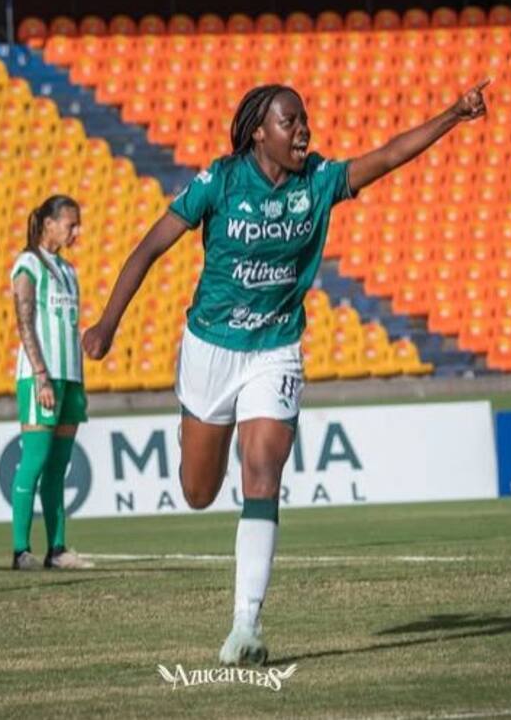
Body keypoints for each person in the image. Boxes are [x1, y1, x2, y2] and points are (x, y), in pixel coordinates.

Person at [82, 79, 489, 665]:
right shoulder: (218, 182)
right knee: (198, 492)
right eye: (289, 122)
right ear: (258, 132)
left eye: (304, 120)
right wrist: (106, 324)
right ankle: (195, 434)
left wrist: (453, 113)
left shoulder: (319, 182)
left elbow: (391, 154)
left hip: (275, 348)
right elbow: (148, 249)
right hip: (210, 349)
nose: (304, 130)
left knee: (263, 471)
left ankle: (245, 626)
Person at [9, 194, 94, 571]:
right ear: (48, 224)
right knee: (35, 460)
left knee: (59, 467)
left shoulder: (69, 270)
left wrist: (77, 378)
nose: (76, 231)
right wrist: (41, 375)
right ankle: (19, 551)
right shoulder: (28, 264)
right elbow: (24, 320)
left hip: (70, 377)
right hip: (40, 377)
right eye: (70, 224)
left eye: (77, 224)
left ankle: (57, 550)